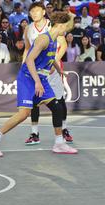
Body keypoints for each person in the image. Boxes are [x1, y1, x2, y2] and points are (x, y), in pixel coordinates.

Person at [0, 12, 78, 157]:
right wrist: (37, 82)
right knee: (23, 114)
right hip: (28, 78)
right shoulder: (43, 39)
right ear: (59, 26)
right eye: (65, 27)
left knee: (57, 107)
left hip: (41, 78)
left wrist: (60, 71)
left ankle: (59, 143)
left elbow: (51, 58)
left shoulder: (54, 40)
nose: (67, 30)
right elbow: (29, 60)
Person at [23, 2, 73, 145]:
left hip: (51, 70)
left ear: (44, 12)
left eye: (37, 11)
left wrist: (54, 62)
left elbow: (63, 45)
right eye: (32, 11)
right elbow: (27, 50)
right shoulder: (29, 28)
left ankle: (64, 129)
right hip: (36, 71)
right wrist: (23, 66)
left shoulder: (53, 26)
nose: (34, 13)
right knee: (35, 102)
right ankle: (34, 133)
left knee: (59, 99)